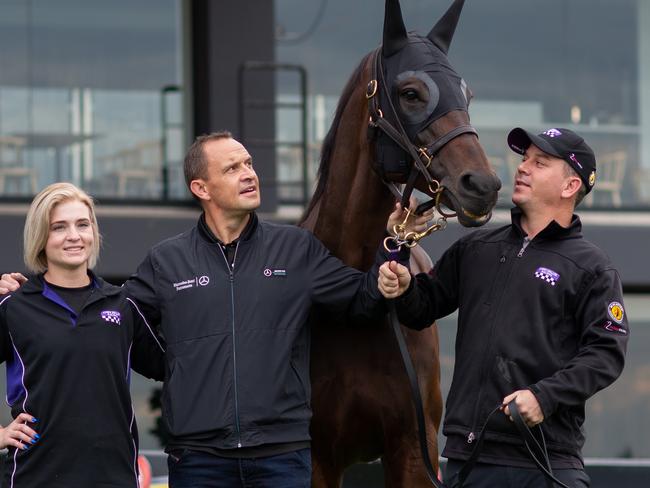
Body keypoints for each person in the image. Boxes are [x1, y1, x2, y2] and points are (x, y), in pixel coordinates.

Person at [0, 131, 428, 488]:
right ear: (201, 188)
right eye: (232, 168)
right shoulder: (165, 263)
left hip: (282, 456)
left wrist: (395, 254)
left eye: (249, 164)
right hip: (198, 461)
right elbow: (111, 326)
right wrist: (26, 292)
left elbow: (363, 299)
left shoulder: (296, 249)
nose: (249, 174)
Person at [378, 127, 629, 487]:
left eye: (540, 163)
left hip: (546, 462)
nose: (523, 168)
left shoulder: (592, 268)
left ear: (570, 187)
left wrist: (543, 397)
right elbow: (420, 309)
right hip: (470, 460)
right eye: (524, 160)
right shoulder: (476, 248)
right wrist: (401, 278)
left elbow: (605, 354)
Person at [0, 183, 165, 487]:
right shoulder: (13, 306)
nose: (74, 236)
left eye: (82, 224)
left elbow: (174, 366)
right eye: (59, 227)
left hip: (114, 477)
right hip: (35, 476)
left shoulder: (123, 304)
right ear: (41, 238)